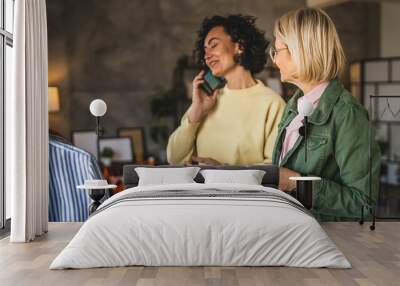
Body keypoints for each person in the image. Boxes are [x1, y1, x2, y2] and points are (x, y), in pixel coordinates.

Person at [271, 7, 380, 220]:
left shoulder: (347, 113)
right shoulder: (293, 106)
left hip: (322, 242)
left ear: (300, 49)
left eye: (277, 51)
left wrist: (296, 183)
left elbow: (363, 205)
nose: (274, 60)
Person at [167, 15, 286, 165]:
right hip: (201, 189)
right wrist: (196, 112)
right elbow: (174, 159)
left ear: (240, 46)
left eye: (214, 45)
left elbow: (274, 169)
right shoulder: (207, 101)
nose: (207, 56)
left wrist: (224, 171)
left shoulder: (272, 104)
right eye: (205, 50)